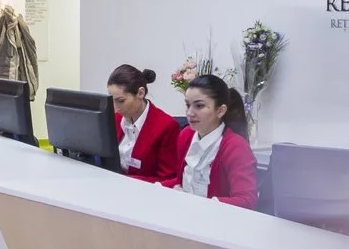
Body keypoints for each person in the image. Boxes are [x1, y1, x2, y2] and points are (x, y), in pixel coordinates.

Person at [171, 73, 257, 207]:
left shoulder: (236, 146)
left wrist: (206, 206)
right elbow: (180, 181)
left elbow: (246, 200)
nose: (189, 113)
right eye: (188, 105)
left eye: (199, 106)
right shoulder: (185, 135)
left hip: (218, 220)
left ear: (221, 111)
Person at [105, 64, 183, 185]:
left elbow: (168, 179)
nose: (115, 109)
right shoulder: (115, 118)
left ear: (140, 93)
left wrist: (123, 181)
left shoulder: (166, 126)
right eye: (112, 101)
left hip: (145, 194)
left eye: (120, 101)